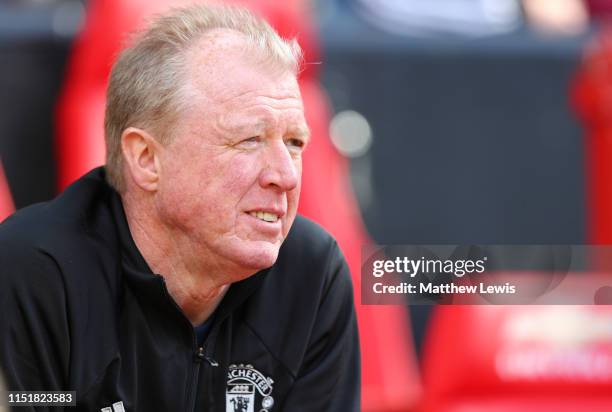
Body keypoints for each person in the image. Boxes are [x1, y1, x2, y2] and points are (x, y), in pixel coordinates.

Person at [0, 4, 360, 411]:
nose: (286, 176)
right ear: (147, 158)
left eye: (295, 143)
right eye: (249, 140)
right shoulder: (32, 273)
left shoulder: (310, 275)